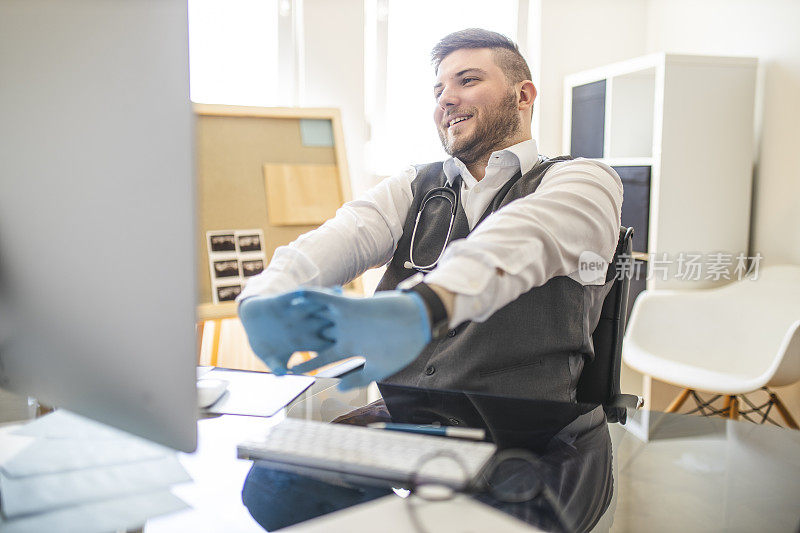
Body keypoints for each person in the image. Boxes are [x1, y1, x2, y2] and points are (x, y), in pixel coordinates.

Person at [238, 28, 622, 403]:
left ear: (522, 96)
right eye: (438, 91)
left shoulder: (584, 180)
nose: (446, 100)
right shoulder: (415, 184)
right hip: (402, 426)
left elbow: (527, 236)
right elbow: (343, 236)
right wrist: (265, 294)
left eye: (467, 81)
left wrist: (422, 308)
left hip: (527, 440)